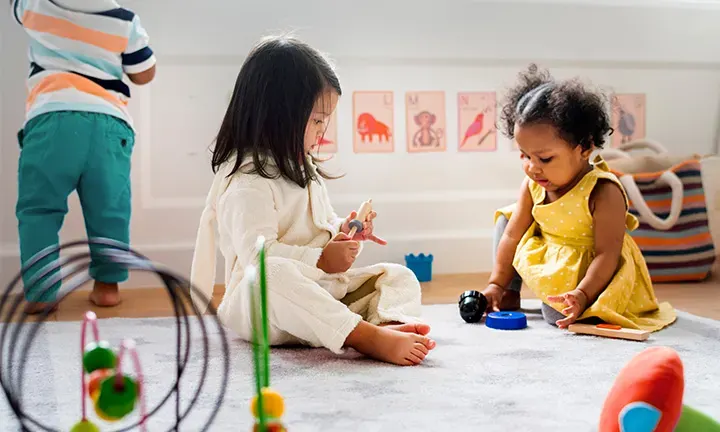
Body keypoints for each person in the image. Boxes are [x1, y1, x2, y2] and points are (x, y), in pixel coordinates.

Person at [190, 35, 436, 366]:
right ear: (278, 115)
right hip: (266, 310)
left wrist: (346, 232)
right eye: (317, 120)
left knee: (397, 276)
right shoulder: (247, 183)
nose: (323, 130)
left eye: (326, 121)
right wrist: (320, 259)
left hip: (317, 297)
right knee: (270, 273)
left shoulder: (302, 167)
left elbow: (319, 228)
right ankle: (365, 336)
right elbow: (257, 259)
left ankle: (388, 321)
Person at [482, 64, 676, 331]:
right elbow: (513, 236)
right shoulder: (533, 184)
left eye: (545, 158)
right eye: (525, 155)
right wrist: (496, 283)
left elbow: (607, 254)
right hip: (551, 252)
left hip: (591, 268)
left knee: (555, 315)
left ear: (584, 147)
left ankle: (576, 299)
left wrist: (582, 294)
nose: (532, 167)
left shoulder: (603, 191)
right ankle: (508, 292)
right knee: (506, 220)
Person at [11, 0, 156, 313]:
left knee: (39, 210)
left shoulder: (35, 6)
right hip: (108, 124)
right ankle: (107, 286)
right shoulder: (123, 20)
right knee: (110, 210)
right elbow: (144, 74)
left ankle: (41, 290)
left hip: (51, 119)